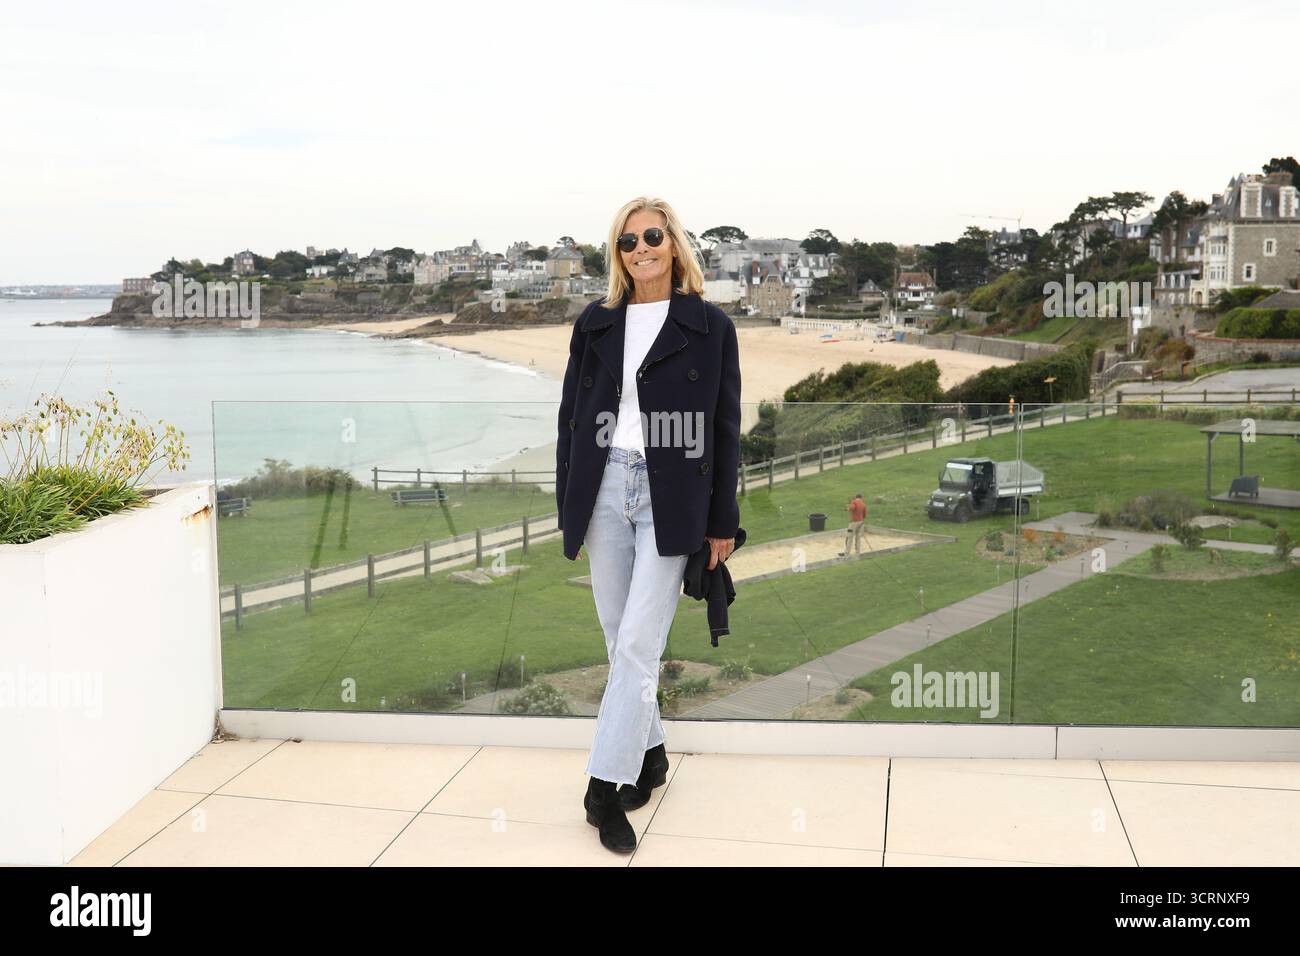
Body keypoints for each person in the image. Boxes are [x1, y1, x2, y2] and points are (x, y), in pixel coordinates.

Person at [554, 196, 742, 854]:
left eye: (652, 236)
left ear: (673, 244)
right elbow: (570, 421)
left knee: (638, 643)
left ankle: (603, 789)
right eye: (628, 241)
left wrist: (724, 522)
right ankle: (654, 758)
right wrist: (568, 506)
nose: (641, 248)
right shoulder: (597, 323)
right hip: (604, 487)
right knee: (619, 638)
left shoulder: (710, 326)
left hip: (672, 497)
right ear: (618, 254)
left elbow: (723, 430)